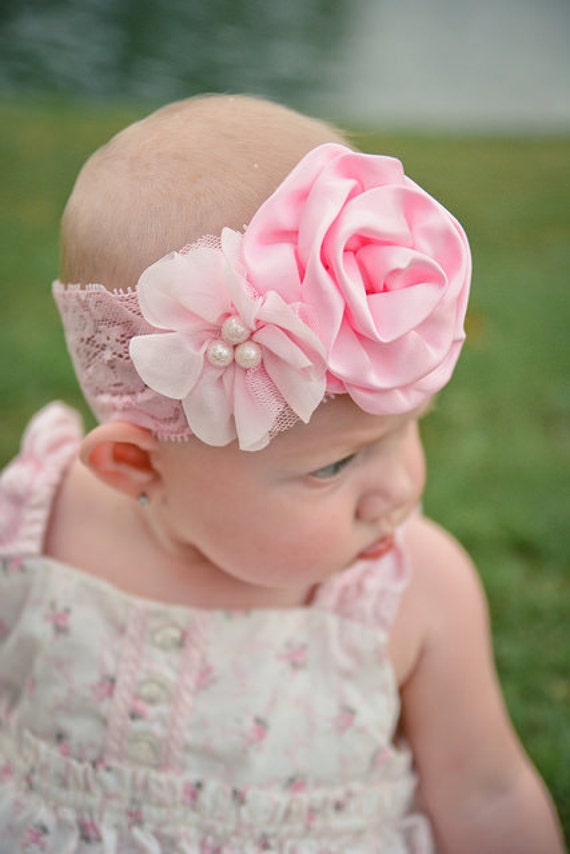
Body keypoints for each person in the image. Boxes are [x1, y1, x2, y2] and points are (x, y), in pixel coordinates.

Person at [0, 94, 564, 854]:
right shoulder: (34, 529)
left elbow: (488, 794)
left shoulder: (415, 591)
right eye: (333, 464)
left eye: (406, 433)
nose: (399, 489)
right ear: (136, 464)